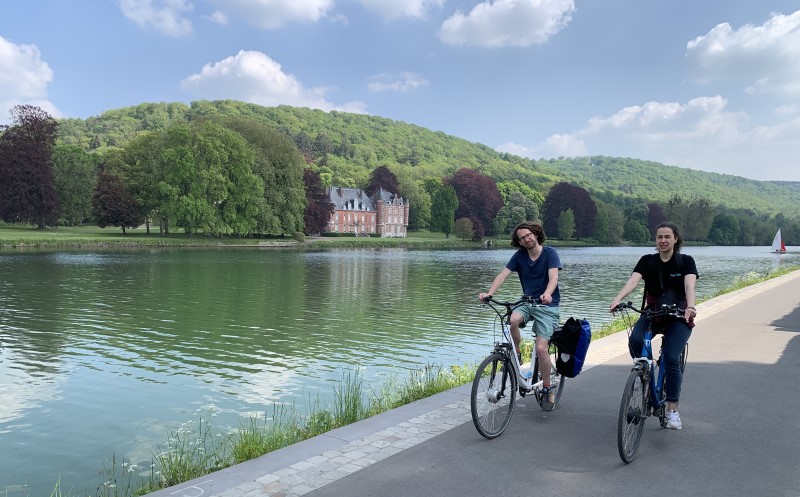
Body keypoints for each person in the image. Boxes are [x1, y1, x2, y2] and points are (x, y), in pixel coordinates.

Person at [610, 221, 698, 430]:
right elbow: (633, 281)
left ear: (676, 239)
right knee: (636, 341)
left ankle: (672, 410)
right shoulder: (647, 261)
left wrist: (691, 307)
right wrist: (617, 298)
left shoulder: (685, 261)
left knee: (670, 358)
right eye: (659, 237)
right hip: (653, 313)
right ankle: (646, 374)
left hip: (678, 315)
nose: (663, 240)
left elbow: (689, 286)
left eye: (667, 236)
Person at [478, 221, 562, 410]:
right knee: (512, 320)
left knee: (541, 349)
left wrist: (548, 293)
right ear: (519, 242)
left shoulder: (550, 253)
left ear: (535, 233)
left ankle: (547, 388)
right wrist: (489, 293)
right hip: (526, 302)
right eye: (521, 238)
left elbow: (553, 278)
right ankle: (517, 352)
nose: (526, 239)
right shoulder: (519, 256)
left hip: (548, 306)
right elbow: (502, 275)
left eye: (528, 235)